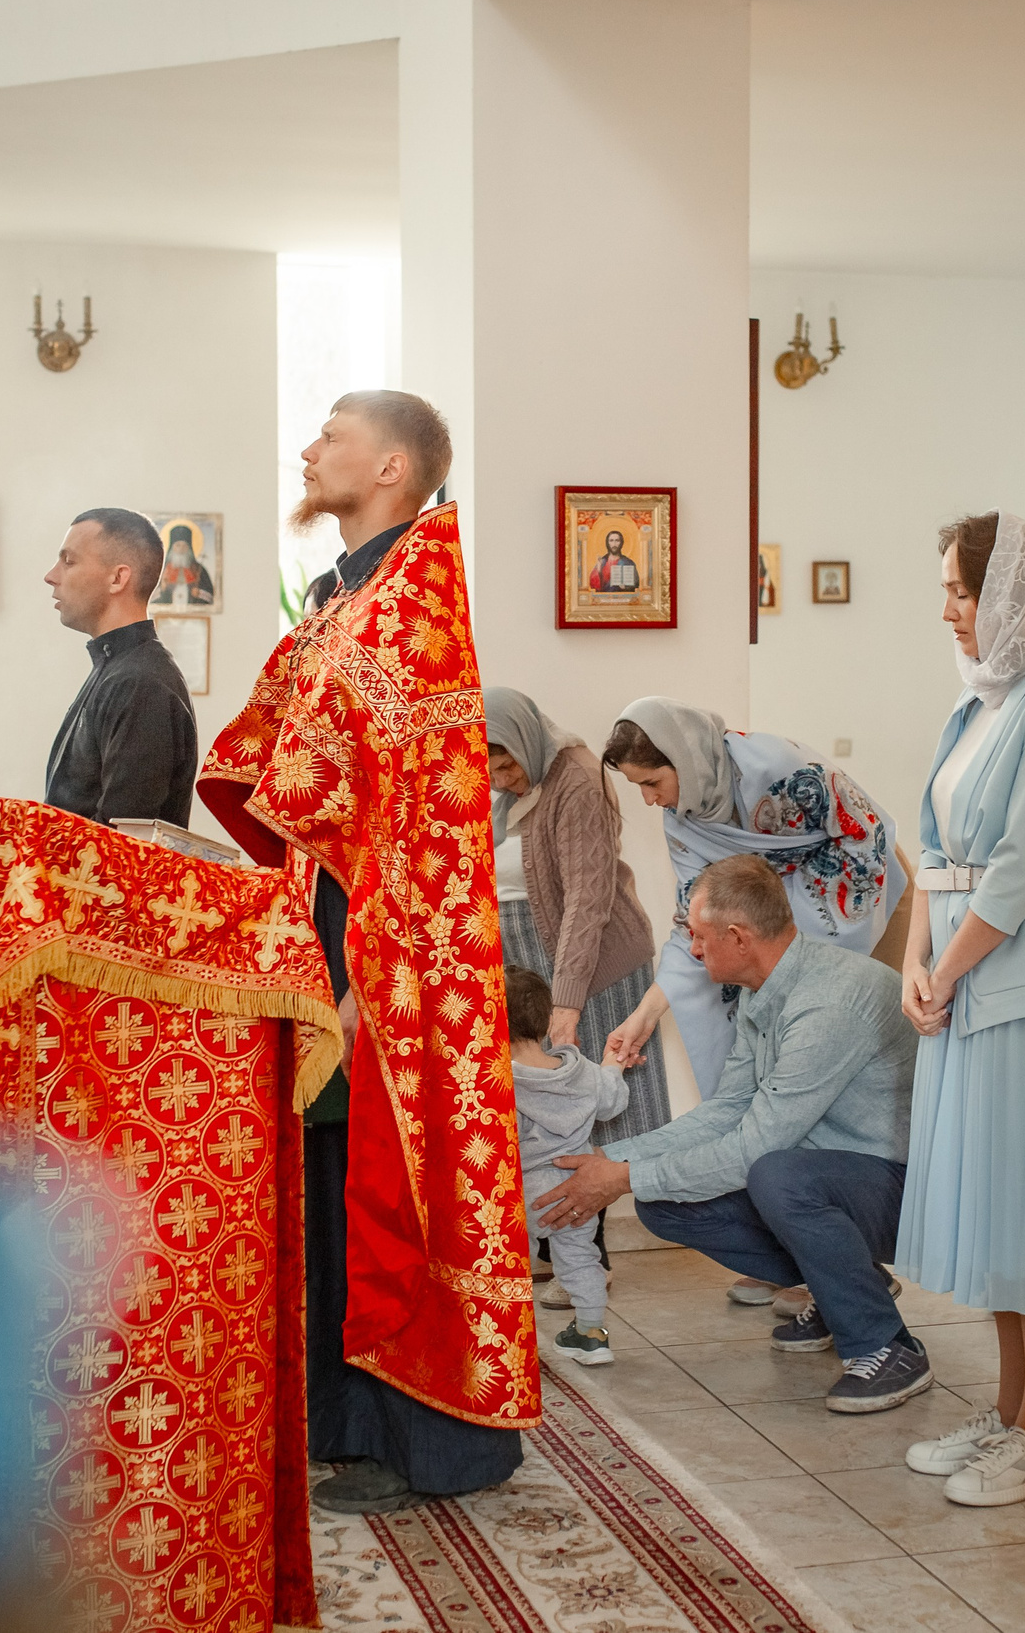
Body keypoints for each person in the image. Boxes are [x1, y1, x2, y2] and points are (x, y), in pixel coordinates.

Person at [200, 390, 537, 1517]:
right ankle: (347, 1423)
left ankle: (433, 1449)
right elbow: (286, 772)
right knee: (336, 1181)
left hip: (387, 960)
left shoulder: (411, 604)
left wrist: (354, 985)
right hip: (328, 930)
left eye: (330, 435)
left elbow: (404, 822)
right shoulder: (350, 598)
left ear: (393, 466)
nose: (307, 448)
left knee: (396, 1183)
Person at [535, 856, 932, 1414]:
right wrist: (610, 1160)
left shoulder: (827, 1003)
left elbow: (754, 1148)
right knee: (662, 1200)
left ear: (738, 937)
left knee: (776, 1174)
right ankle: (845, 1286)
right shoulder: (762, 989)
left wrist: (622, 1177)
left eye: (697, 937)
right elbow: (727, 1110)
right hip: (843, 1177)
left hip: (908, 1189)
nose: (692, 952)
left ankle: (887, 1347)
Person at [894, 510, 1025, 1510]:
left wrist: (949, 971)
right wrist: (913, 963)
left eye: (963, 592)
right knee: (995, 1217)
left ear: (1009, 595)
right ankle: (1005, 1413)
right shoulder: (979, 702)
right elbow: (933, 851)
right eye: (948, 592)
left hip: (1011, 987)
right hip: (958, 980)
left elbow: (1018, 868)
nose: (950, 613)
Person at [597, 698, 902, 1103]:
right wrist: (644, 1015)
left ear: (685, 761)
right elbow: (696, 919)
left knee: (866, 1031)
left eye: (652, 783)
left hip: (872, 892)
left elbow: (863, 831)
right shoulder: (683, 822)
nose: (649, 800)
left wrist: (794, 933)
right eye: (638, 788)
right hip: (773, 912)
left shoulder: (772, 763)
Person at [485, 686, 668, 1145]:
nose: (501, 781)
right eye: (491, 772)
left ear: (526, 740)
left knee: (614, 1107)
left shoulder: (578, 779)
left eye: (508, 766)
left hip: (595, 960)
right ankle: (562, 1211)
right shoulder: (494, 789)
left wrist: (566, 1004)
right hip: (525, 955)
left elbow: (587, 903)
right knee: (544, 1113)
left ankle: (621, 1210)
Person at [41, 506, 196, 827]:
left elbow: (121, 838)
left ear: (117, 578)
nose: (51, 576)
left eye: (68, 561)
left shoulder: (141, 683)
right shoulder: (116, 666)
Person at [503, 964, 627, 1368]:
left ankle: (505, 1340)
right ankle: (591, 1335)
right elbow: (612, 1101)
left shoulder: (499, 1080)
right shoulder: (582, 1070)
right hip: (576, 1191)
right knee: (580, 1259)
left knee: (505, 1264)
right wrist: (612, 1064)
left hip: (520, 1195)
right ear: (545, 1021)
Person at [155, 523, 218, 606]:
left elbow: (211, 597)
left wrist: (199, 593)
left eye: (185, 546)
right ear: (172, 548)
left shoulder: (199, 569)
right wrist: (162, 589)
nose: (181, 549)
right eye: (178, 545)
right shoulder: (161, 570)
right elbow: (147, 599)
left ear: (189, 548)